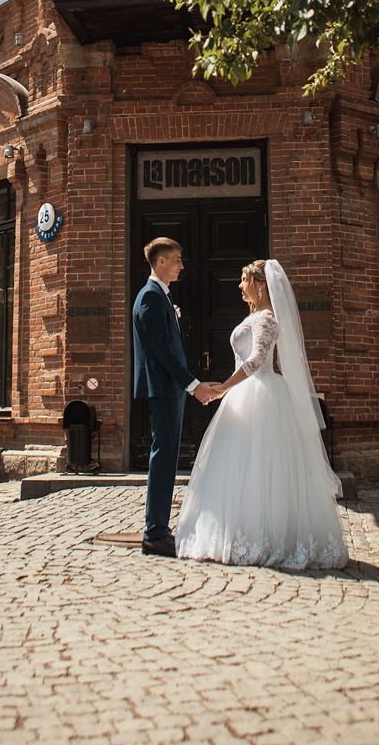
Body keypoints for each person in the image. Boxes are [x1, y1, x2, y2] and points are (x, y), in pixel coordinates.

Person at [175, 258, 349, 569]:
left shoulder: (267, 319)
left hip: (261, 394)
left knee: (264, 465)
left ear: (260, 284)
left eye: (244, 281)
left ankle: (270, 536)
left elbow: (256, 361)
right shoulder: (255, 317)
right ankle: (239, 530)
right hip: (246, 395)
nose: (240, 286)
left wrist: (222, 388)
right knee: (239, 464)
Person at [132, 237, 213, 556]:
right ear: (161, 261)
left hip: (170, 388)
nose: (181, 265)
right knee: (163, 459)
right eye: (177, 259)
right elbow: (164, 351)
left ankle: (159, 528)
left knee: (166, 457)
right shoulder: (150, 298)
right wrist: (193, 385)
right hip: (164, 388)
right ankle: (154, 533)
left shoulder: (161, 297)